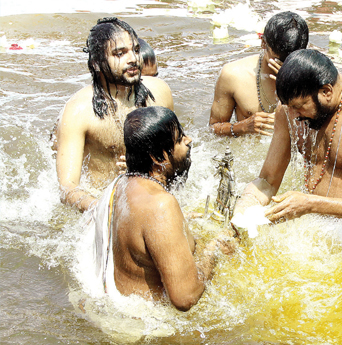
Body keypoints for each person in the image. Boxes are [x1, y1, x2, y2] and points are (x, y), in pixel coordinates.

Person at [234, 49, 342, 222]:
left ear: (326, 92)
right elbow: (267, 181)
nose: (294, 115)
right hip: (312, 219)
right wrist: (241, 212)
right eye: (289, 107)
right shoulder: (289, 110)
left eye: (299, 106)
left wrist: (311, 204)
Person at [90, 106, 230, 311]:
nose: (189, 140)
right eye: (180, 138)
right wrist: (215, 249)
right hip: (151, 327)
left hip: (119, 315)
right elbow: (185, 297)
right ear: (158, 158)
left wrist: (183, 220)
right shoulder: (160, 205)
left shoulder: (120, 184)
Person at [54, 17, 174, 212]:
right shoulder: (78, 112)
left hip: (153, 196)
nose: (134, 59)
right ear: (96, 63)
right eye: (120, 53)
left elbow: (178, 155)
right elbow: (68, 189)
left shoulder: (159, 93)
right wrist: (108, 211)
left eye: (135, 50)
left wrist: (152, 167)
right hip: (104, 202)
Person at [209, 11, 308, 137]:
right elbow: (212, 129)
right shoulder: (233, 75)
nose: (285, 67)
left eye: (291, 61)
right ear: (263, 43)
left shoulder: (314, 76)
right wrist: (244, 126)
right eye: (278, 60)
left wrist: (296, 88)